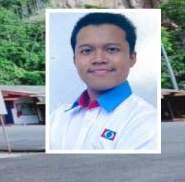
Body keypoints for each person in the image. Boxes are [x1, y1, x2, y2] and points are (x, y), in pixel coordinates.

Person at [48, 12, 157, 151]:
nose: (99, 59)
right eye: (87, 51)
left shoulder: (145, 121)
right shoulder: (57, 118)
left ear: (132, 58)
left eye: (112, 49)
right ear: (75, 60)